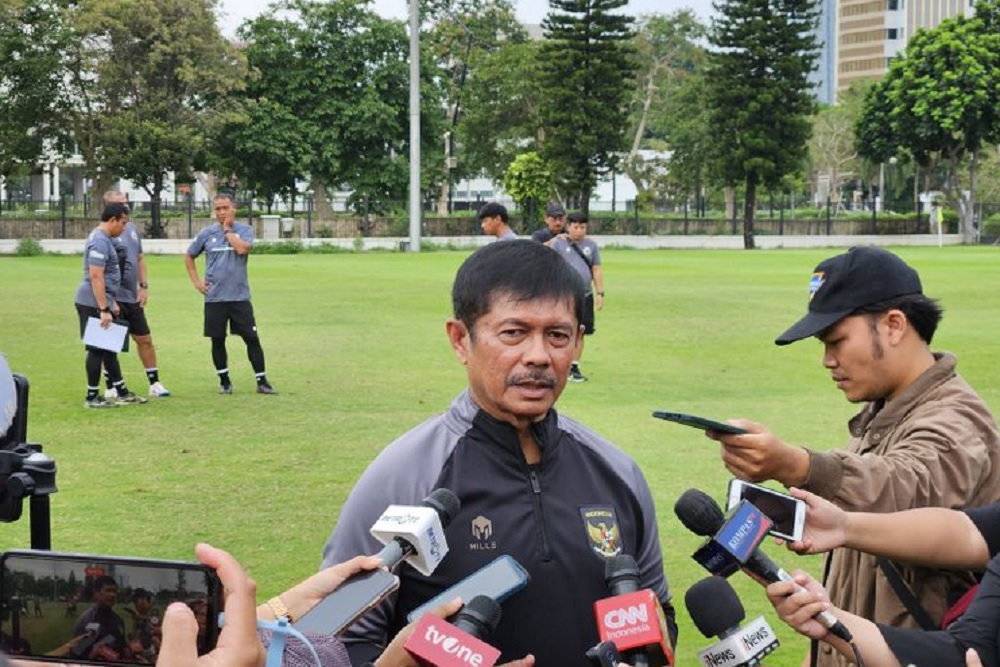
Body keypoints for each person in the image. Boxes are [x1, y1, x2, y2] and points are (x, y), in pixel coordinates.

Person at [320, 240, 675, 666]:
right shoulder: (401, 478)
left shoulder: (618, 472)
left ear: (578, 343)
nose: (539, 356)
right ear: (460, 340)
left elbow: (657, 613)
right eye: (514, 333)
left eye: (557, 335)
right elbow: (333, 645)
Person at [708, 246, 1000, 666]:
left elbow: (904, 490)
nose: (828, 360)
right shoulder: (884, 413)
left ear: (894, 325)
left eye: (837, 341)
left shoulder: (955, 418)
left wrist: (796, 465)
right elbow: (855, 548)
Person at [185, 193, 276, 395]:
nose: (221, 212)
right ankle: (224, 381)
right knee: (217, 340)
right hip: (215, 298)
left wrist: (227, 229)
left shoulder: (245, 230)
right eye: (217, 209)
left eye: (225, 207)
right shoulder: (206, 234)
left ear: (233, 208)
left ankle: (262, 381)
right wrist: (197, 282)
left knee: (252, 338)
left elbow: (242, 249)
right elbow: (190, 255)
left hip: (239, 297)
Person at [74, 202, 149, 408]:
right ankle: (92, 396)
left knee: (109, 348)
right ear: (113, 219)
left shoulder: (106, 239)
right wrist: (104, 308)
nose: (124, 228)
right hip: (91, 302)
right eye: (123, 223)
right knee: (97, 348)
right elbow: (96, 275)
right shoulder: (99, 241)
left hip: (101, 300)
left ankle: (121, 392)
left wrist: (111, 301)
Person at [101, 190, 172, 399]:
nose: (126, 207)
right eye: (120, 204)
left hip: (132, 297)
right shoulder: (104, 234)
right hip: (113, 298)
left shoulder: (131, 228)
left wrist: (144, 286)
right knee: (109, 344)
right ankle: (111, 385)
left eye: (126, 202)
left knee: (145, 339)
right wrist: (107, 300)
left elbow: (139, 258)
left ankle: (154, 383)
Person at [550, 212, 604, 382]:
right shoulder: (558, 244)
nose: (579, 230)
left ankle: (573, 366)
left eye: (582, 227)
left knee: (581, 331)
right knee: (560, 330)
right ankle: (556, 363)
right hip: (563, 294)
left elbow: (596, 269)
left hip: (585, 295)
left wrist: (600, 292)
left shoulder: (591, 246)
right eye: (575, 227)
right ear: (569, 227)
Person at [72, 575, 128, 660]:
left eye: (114, 591)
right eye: (108, 590)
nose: (112, 595)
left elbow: (122, 649)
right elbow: (76, 655)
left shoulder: (118, 620)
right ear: (96, 593)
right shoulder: (87, 620)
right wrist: (93, 654)